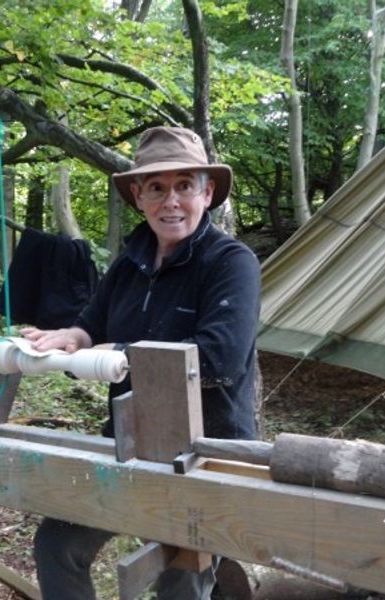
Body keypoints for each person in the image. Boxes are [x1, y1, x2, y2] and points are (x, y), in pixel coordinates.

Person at [22, 126, 261, 599]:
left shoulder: (231, 263)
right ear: (138, 196)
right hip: (130, 445)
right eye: (156, 187)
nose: (170, 201)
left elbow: (219, 360)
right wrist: (69, 337)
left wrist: (121, 357)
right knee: (57, 544)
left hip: (208, 454)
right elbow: (92, 323)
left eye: (183, 186)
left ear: (207, 192)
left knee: (181, 575)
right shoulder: (129, 263)